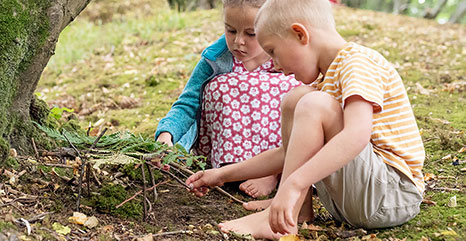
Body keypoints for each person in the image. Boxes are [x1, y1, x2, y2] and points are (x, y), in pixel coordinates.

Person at [186, 0, 425, 239]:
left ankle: (286, 208)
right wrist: (222, 174)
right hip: (357, 199)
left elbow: (357, 135)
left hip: (391, 196)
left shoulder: (358, 63)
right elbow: (290, 154)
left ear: (300, 34)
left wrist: (294, 184)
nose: (276, 66)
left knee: (312, 103)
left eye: (273, 52)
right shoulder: (326, 80)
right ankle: (299, 209)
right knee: (296, 99)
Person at [155, 0, 301, 198]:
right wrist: (166, 134)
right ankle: (232, 169)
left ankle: (272, 172)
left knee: (293, 89)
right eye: (230, 30)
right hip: (228, 153)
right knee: (222, 86)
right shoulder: (216, 58)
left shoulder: (287, 57)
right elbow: (188, 102)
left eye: (251, 34)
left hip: (278, 152)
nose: (238, 41)